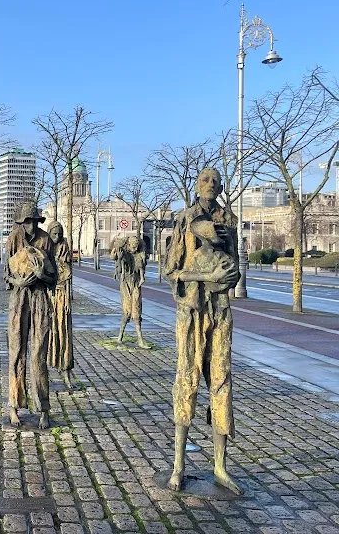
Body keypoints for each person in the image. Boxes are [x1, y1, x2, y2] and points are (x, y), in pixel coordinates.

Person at [163, 167, 242, 495]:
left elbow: (235, 270)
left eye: (215, 181)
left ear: (221, 186)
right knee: (187, 379)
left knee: (222, 382)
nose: (210, 185)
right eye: (204, 180)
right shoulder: (184, 219)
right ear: (196, 185)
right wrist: (201, 277)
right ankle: (178, 464)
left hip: (220, 312)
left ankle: (220, 466)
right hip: (191, 314)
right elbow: (170, 270)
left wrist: (225, 278)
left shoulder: (230, 222)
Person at [4, 201, 56, 429]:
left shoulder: (46, 240)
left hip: (40, 298)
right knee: (17, 351)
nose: (29, 226)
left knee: (39, 354)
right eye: (25, 222)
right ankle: (14, 406)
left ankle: (43, 408)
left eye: (32, 221)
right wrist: (19, 281)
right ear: (20, 223)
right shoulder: (14, 238)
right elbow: (6, 274)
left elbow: (54, 277)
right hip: (19, 297)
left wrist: (41, 275)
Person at [45, 220, 74, 388]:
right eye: (54, 234)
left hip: (62, 295)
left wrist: (68, 298)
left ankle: (65, 369)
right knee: (48, 332)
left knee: (64, 332)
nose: (57, 237)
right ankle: (46, 369)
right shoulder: (45, 247)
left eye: (59, 234)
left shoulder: (64, 248)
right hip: (48, 294)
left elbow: (70, 276)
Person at [111, 235, 151, 349]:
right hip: (125, 283)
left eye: (136, 247)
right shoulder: (124, 253)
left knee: (137, 310)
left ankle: (140, 339)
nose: (135, 249)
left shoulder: (139, 255)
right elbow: (113, 257)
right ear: (129, 245)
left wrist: (142, 277)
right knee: (127, 310)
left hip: (136, 283)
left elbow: (142, 265)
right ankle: (120, 336)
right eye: (133, 246)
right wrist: (116, 249)